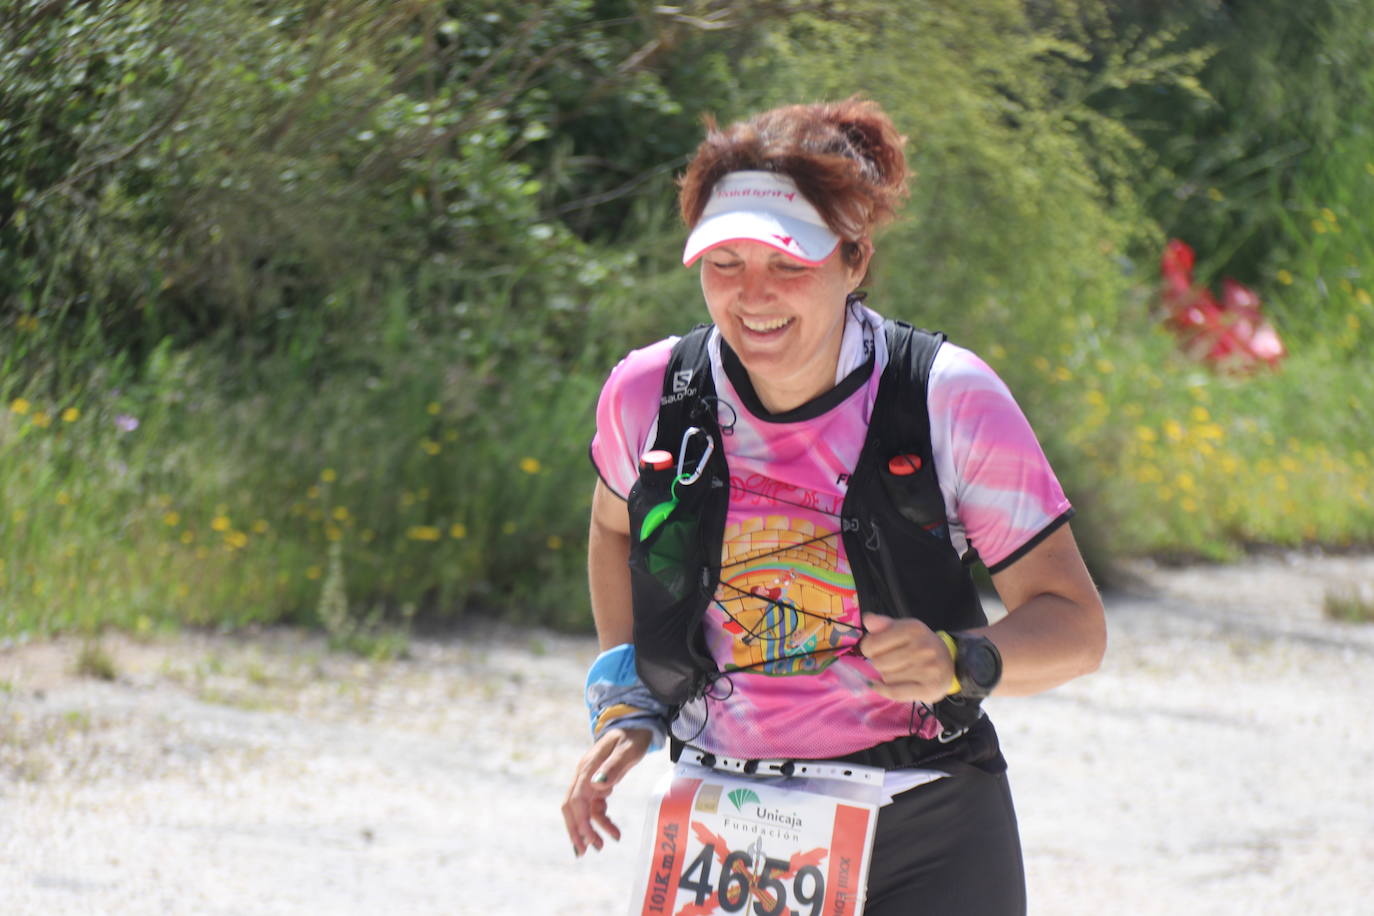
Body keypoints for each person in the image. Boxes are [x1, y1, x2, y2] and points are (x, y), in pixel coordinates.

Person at [561, 97, 1106, 914]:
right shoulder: (651, 394)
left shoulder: (947, 399)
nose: (754, 296)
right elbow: (613, 530)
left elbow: (1075, 627)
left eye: (790, 264)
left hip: (927, 822)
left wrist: (963, 661)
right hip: (724, 827)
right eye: (724, 263)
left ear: (855, 261)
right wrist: (628, 694)